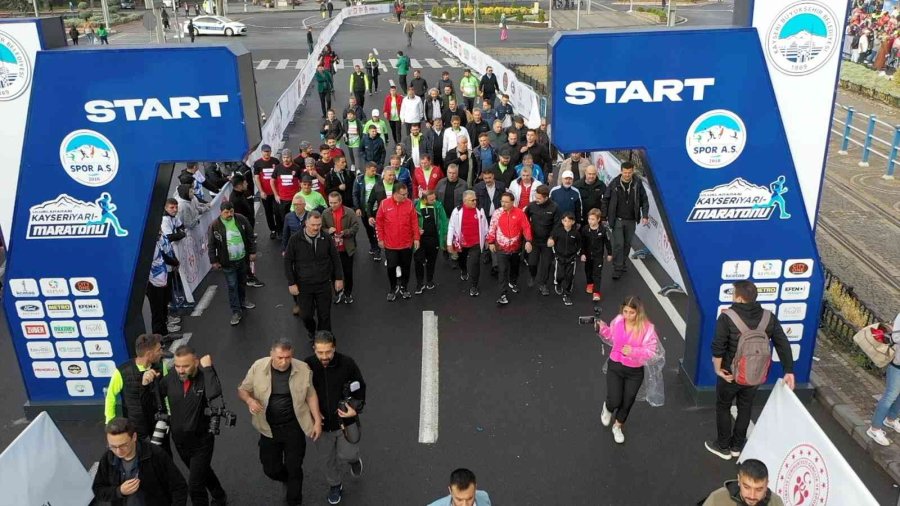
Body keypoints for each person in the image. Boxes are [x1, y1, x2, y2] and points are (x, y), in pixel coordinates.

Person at [706, 281, 795, 460]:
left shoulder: (727, 317)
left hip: (730, 374)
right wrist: (789, 370)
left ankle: (723, 446)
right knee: (745, 407)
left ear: (739, 298)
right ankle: (737, 446)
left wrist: (718, 369)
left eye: (733, 293)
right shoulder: (768, 317)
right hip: (755, 375)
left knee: (723, 406)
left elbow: (718, 347)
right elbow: (782, 343)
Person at [238, 339, 324, 506]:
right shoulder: (258, 367)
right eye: (279, 357)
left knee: (294, 467)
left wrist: (317, 421)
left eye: (288, 357)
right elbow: (242, 389)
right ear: (271, 354)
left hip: (294, 428)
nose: (284, 362)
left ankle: (294, 500)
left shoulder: (303, 369)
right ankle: (287, 479)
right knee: (271, 469)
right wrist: (249, 400)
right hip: (268, 429)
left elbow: (310, 394)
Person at [304, 331, 366, 505]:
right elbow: (301, 392)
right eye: (320, 352)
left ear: (334, 348)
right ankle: (335, 485)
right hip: (321, 425)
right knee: (327, 460)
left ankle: (354, 460)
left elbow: (360, 387)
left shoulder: (347, 364)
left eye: (328, 352)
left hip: (345, 421)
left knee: (348, 454)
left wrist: (355, 409)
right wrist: (311, 413)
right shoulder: (306, 365)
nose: (324, 356)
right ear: (314, 348)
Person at [161, 347, 228, 506]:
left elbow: (214, 394)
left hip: (201, 442)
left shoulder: (205, 377)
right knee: (201, 472)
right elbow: (155, 395)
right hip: (180, 442)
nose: (180, 370)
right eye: (177, 366)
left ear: (196, 362)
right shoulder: (170, 378)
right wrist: (146, 383)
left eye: (185, 366)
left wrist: (208, 368)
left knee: (195, 486)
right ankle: (219, 495)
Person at [597, 296, 659, 444]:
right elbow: (611, 336)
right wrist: (602, 329)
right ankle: (608, 407)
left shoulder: (647, 328)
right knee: (614, 399)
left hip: (634, 372)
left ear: (639, 312)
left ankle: (617, 426)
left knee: (627, 401)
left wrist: (633, 351)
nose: (627, 315)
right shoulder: (618, 320)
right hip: (615, 366)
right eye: (625, 311)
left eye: (631, 312)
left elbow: (652, 351)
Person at [92, 418, 188, 506]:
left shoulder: (155, 454)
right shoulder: (108, 458)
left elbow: (179, 487)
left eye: (123, 445)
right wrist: (119, 491)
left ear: (134, 437)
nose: (118, 451)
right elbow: (98, 489)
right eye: (112, 446)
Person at [285, 211, 344, 339]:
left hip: (323, 284)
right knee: (306, 315)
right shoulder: (295, 239)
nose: (316, 228)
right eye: (313, 225)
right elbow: (288, 262)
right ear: (306, 223)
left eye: (318, 224)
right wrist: (291, 283)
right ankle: (312, 331)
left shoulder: (326, 238)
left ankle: (324, 340)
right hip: (304, 285)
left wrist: (339, 278)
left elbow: (335, 258)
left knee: (325, 315)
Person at [104, 333, 170, 445]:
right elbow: (110, 397)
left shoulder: (161, 366)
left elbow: (167, 393)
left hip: (158, 420)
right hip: (135, 426)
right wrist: (110, 423)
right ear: (149, 354)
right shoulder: (122, 372)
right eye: (158, 350)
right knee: (140, 452)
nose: (161, 352)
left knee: (163, 451)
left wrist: (169, 414)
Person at [208, 201, 256, 326]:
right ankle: (236, 311)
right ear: (221, 212)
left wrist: (252, 251)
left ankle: (243, 301)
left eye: (231, 211)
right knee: (232, 286)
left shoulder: (241, 219)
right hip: (227, 262)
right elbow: (211, 245)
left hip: (242, 259)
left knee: (242, 282)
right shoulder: (215, 225)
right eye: (226, 212)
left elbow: (250, 235)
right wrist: (214, 260)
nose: (229, 214)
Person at [601, 161, 649, 280]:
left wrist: (645, 215)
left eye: (629, 172)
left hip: (631, 220)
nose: (627, 175)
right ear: (621, 171)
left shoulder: (637, 183)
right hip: (617, 219)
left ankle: (622, 263)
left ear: (633, 171)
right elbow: (605, 199)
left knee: (627, 244)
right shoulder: (614, 183)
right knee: (619, 244)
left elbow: (644, 200)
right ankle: (617, 267)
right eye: (625, 172)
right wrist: (604, 216)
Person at [375, 182, 420, 300]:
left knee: (406, 267)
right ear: (395, 194)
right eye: (403, 194)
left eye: (406, 194)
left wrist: (416, 238)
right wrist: (380, 239)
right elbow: (379, 223)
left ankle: (404, 287)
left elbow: (414, 222)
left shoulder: (409, 204)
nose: (406, 196)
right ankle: (393, 288)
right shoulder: (384, 204)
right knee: (391, 267)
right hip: (390, 244)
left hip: (406, 243)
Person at [486, 192, 532, 305]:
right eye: (502, 201)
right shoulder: (497, 213)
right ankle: (503, 294)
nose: (503, 204)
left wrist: (528, 241)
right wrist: (490, 242)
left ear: (512, 202)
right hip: (501, 248)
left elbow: (526, 227)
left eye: (506, 202)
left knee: (515, 268)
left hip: (516, 248)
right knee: (502, 271)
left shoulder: (520, 213)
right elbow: (492, 228)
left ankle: (513, 282)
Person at [867, 314, 900, 446]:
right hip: (898, 362)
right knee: (890, 395)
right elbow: (896, 337)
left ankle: (891, 419)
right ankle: (874, 428)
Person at [447, 190, 488, 297]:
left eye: (475, 200)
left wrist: (487, 239)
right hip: (462, 243)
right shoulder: (457, 211)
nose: (475, 202)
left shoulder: (480, 210)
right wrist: (449, 243)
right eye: (472, 200)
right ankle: (464, 270)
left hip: (476, 243)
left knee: (475, 264)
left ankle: (474, 286)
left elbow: (485, 226)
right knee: (462, 260)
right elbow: (451, 226)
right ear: (465, 201)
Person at [322, 192, 360, 304]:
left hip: (346, 249)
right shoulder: (325, 213)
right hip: (332, 250)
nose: (332, 205)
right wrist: (328, 230)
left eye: (335, 203)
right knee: (333, 273)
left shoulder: (350, 212)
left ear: (340, 201)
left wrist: (345, 232)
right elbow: (321, 228)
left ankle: (348, 293)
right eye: (330, 203)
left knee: (348, 273)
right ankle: (338, 293)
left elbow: (356, 226)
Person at [701, 459, 785, 506]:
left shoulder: (776, 502)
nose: (752, 496)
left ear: (766, 485)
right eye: (747, 487)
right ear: (739, 480)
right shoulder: (717, 499)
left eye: (759, 489)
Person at [524, 185, 559, 295]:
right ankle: (532, 275)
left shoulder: (555, 207)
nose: (536, 199)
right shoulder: (531, 206)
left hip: (547, 242)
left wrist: (552, 237)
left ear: (546, 197)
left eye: (539, 198)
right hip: (534, 240)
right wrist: (527, 238)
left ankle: (543, 284)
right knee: (532, 263)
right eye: (536, 197)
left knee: (546, 264)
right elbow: (524, 220)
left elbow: (557, 224)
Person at [414, 190, 448, 293]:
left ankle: (429, 281)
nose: (434, 201)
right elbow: (410, 221)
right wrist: (417, 229)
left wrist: (444, 236)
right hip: (420, 240)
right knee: (418, 261)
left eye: (434, 198)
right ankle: (419, 284)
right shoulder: (415, 207)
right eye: (431, 199)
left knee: (431, 261)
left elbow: (444, 220)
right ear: (424, 200)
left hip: (434, 239)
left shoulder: (438, 206)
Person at [547, 212, 580, 306]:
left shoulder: (576, 234)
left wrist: (576, 254)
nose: (567, 223)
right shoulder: (557, 232)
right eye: (565, 221)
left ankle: (567, 294)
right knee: (560, 275)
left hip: (571, 258)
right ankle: (558, 283)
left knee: (569, 277)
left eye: (569, 221)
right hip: (559, 257)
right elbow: (551, 241)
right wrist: (551, 245)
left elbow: (579, 245)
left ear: (573, 222)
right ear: (562, 221)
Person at [580, 208, 611, 302]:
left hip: (598, 256)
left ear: (598, 219)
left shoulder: (603, 230)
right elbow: (582, 243)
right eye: (589, 219)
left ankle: (596, 292)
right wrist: (582, 253)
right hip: (588, 255)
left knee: (597, 274)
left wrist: (609, 253)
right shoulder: (585, 229)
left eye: (593, 219)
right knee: (588, 270)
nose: (590, 221)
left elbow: (607, 242)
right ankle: (590, 283)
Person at [354, 162, 382, 260]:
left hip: (377, 209)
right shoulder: (359, 179)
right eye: (372, 171)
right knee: (369, 230)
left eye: (375, 171)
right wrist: (357, 208)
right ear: (366, 169)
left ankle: (377, 250)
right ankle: (373, 246)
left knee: (376, 230)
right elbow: (355, 194)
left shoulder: (379, 178)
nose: (374, 173)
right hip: (365, 210)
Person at [253, 144, 281, 239]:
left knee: (277, 211)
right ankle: (273, 230)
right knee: (268, 212)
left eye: (268, 151)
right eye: (265, 151)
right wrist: (261, 191)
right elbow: (256, 178)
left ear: (271, 152)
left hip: (276, 192)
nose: (267, 153)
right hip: (265, 193)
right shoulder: (257, 163)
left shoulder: (275, 161)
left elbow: (279, 175)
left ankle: (279, 229)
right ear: (261, 152)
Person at [272, 149, 302, 232]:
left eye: (287, 157)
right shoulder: (278, 168)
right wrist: (276, 195)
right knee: (284, 218)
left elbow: (301, 182)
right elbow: (272, 181)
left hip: (294, 199)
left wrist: (300, 194)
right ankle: (285, 233)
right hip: (282, 199)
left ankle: (295, 233)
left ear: (291, 157)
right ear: (282, 158)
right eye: (284, 157)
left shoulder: (296, 167)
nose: (286, 159)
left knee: (296, 217)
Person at [427, 468, 492, 506]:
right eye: (459, 499)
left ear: (475, 488)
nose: (464, 505)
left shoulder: (484, 496)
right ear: (450, 490)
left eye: (469, 498)